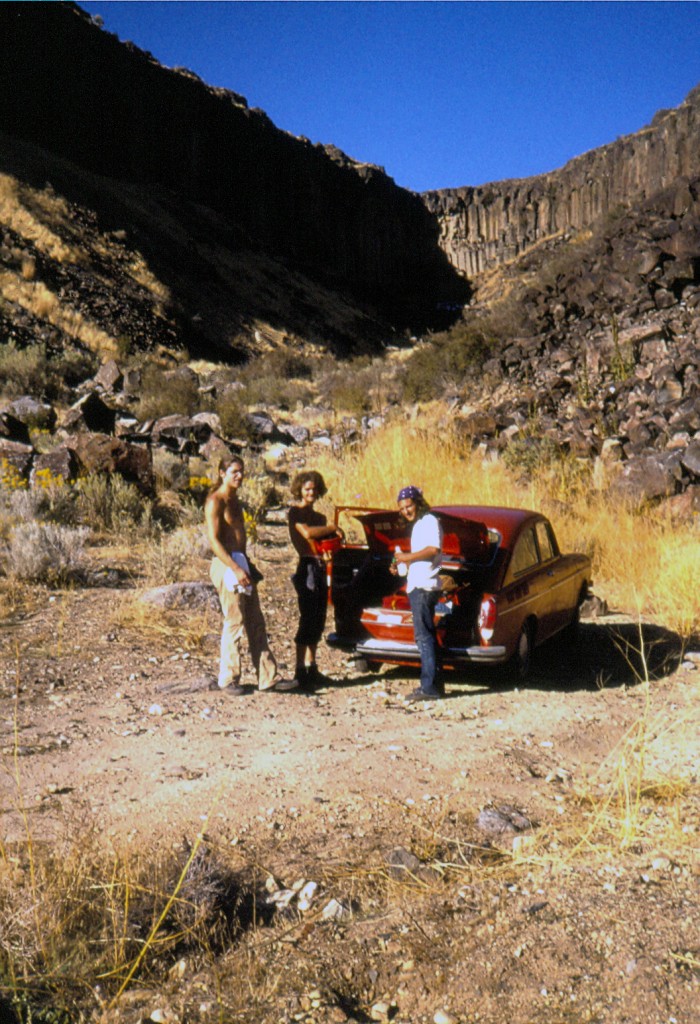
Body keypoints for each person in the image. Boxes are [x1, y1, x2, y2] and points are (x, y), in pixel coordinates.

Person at [206, 454, 298, 695]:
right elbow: (214, 541)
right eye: (234, 471)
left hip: (240, 562)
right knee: (234, 620)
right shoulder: (216, 501)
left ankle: (267, 677)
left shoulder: (235, 500)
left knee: (256, 620)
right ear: (221, 473)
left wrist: (247, 565)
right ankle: (228, 678)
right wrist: (235, 568)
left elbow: (237, 537)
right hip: (227, 565)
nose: (239, 475)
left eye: (241, 471)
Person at [288, 470, 343, 689]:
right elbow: (308, 534)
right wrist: (332, 528)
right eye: (306, 489)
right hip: (307, 566)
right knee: (307, 617)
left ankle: (312, 667)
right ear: (300, 490)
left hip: (320, 565)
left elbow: (326, 543)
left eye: (313, 489)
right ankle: (300, 669)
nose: (311, 493)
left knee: (319, 618)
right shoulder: (296, 513)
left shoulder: (319, 517)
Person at [391, 485, 444, 701]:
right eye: (402, 508)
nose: (406, 511)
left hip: (424, 585)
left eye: (409, 506)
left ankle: (429, 687)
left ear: (418, 502)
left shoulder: (429, 521)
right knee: (427, 635)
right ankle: (435, 685)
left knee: (423, 637)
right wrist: (399, 564)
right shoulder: (419, 525)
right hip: (418, 584)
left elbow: (434, 550)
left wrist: (407, 557)